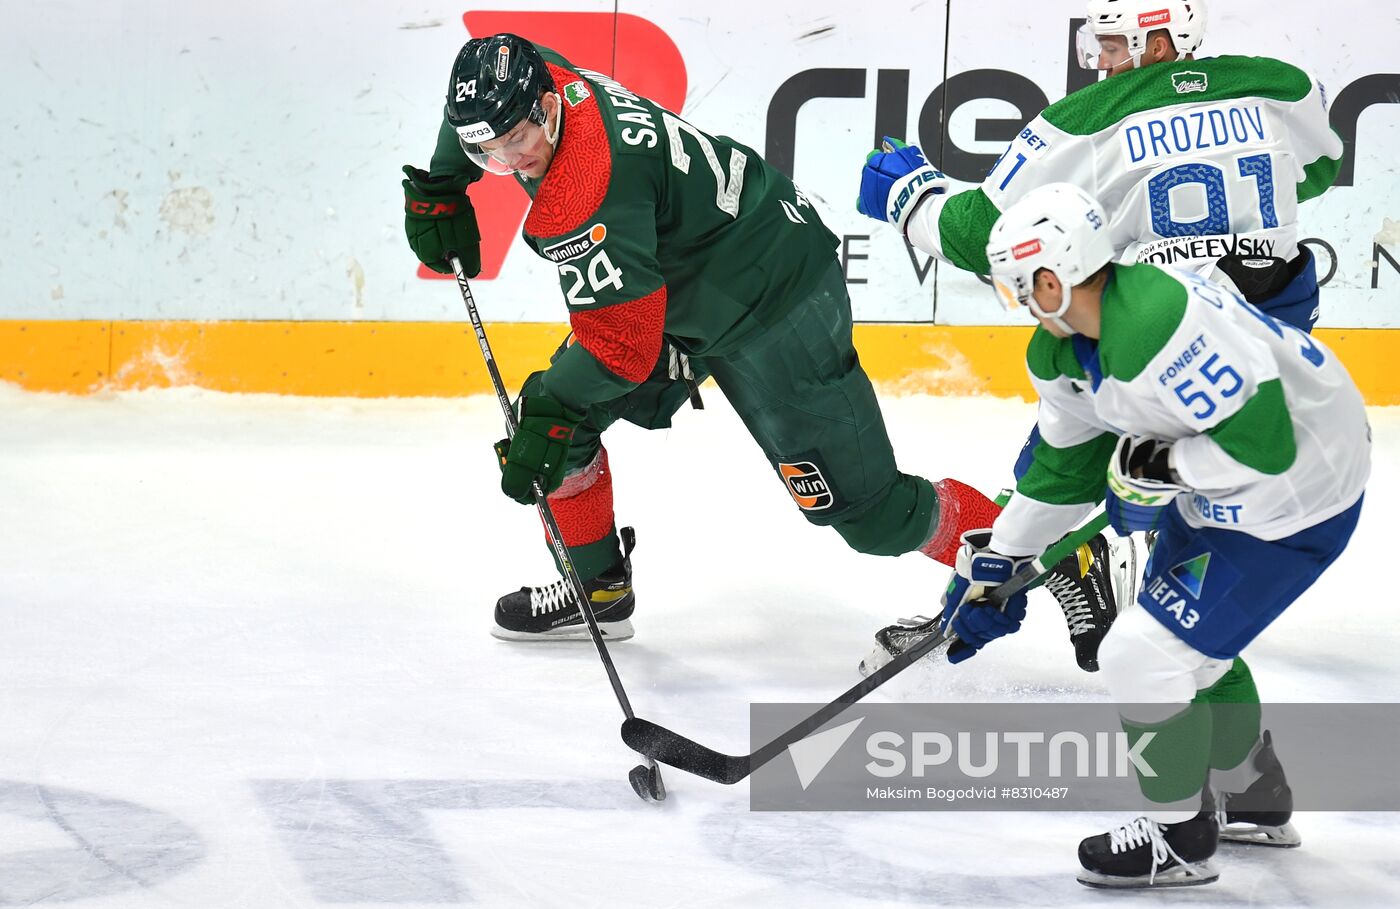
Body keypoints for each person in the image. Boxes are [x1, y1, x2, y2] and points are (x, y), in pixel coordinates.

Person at [400, 34, 1004, 641]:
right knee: (554, 420)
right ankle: (598, 591)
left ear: (545, 106)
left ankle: (1036, 548)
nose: (511, 158)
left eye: (517, 139)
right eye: (491, 149)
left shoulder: (584, 188)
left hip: (775, 296)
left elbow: (623, 349)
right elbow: (477, 117)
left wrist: (554, 407)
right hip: (682, 283)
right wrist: (443, 182)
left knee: (873, 519)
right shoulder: (537, 80)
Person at [855, 0, 1344, 675]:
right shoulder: (1279, 86)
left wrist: (911, 197)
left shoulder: (1091, 122)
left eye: (1114, 45)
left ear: (1167, 39)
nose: (1101, 63)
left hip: (1150, 353)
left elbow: (982, 234)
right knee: (1152, 510)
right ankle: (1134, 616)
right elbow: (1316, 169)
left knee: (1063, 478)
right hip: (1266, 349)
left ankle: (979, 615)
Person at [939, 182, 1368, 887]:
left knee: (1141, 653)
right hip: (1223, 492)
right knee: (1188, 648)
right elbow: (1059, 471)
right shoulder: (1068, 351)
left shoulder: (1159, 325)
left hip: (1299, 495)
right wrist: (1001, 561)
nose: (1018, 302)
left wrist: (1168, 464)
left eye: (1020, 287)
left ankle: (1178, 836)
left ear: (1051, 279)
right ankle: (1252, 792)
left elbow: (1267, 446)